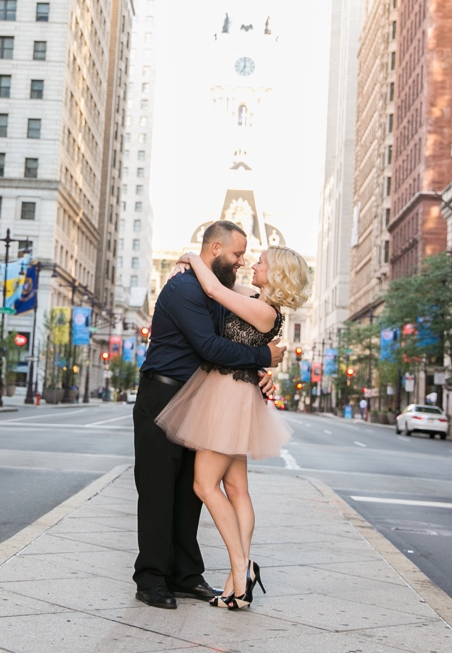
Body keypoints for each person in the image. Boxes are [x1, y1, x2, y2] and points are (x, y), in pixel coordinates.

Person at [133, 220, 285, 610]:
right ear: (215, 249)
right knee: (157, 491)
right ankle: (151, 579)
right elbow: (209, 346)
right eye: (236, 254)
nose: (241, 262)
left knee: (190, 493)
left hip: (199, 400)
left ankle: (185, 575)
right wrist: (262, 358)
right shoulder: (184, 288)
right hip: (163, 395)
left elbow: (238, 329)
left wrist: (259, 373)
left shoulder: (213, 289)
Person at [156, 243, 311, 611]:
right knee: (236, 487)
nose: (253, 264)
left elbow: (213, 289)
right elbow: (214, 283)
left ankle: (240, 568)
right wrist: (190, 266)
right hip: (237, 395)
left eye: (261, 262)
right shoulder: (257, 299)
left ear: (276, 274)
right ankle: (237, 577)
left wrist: (192, 257)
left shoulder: (262, 310)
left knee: (203, 484)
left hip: (228, 395)